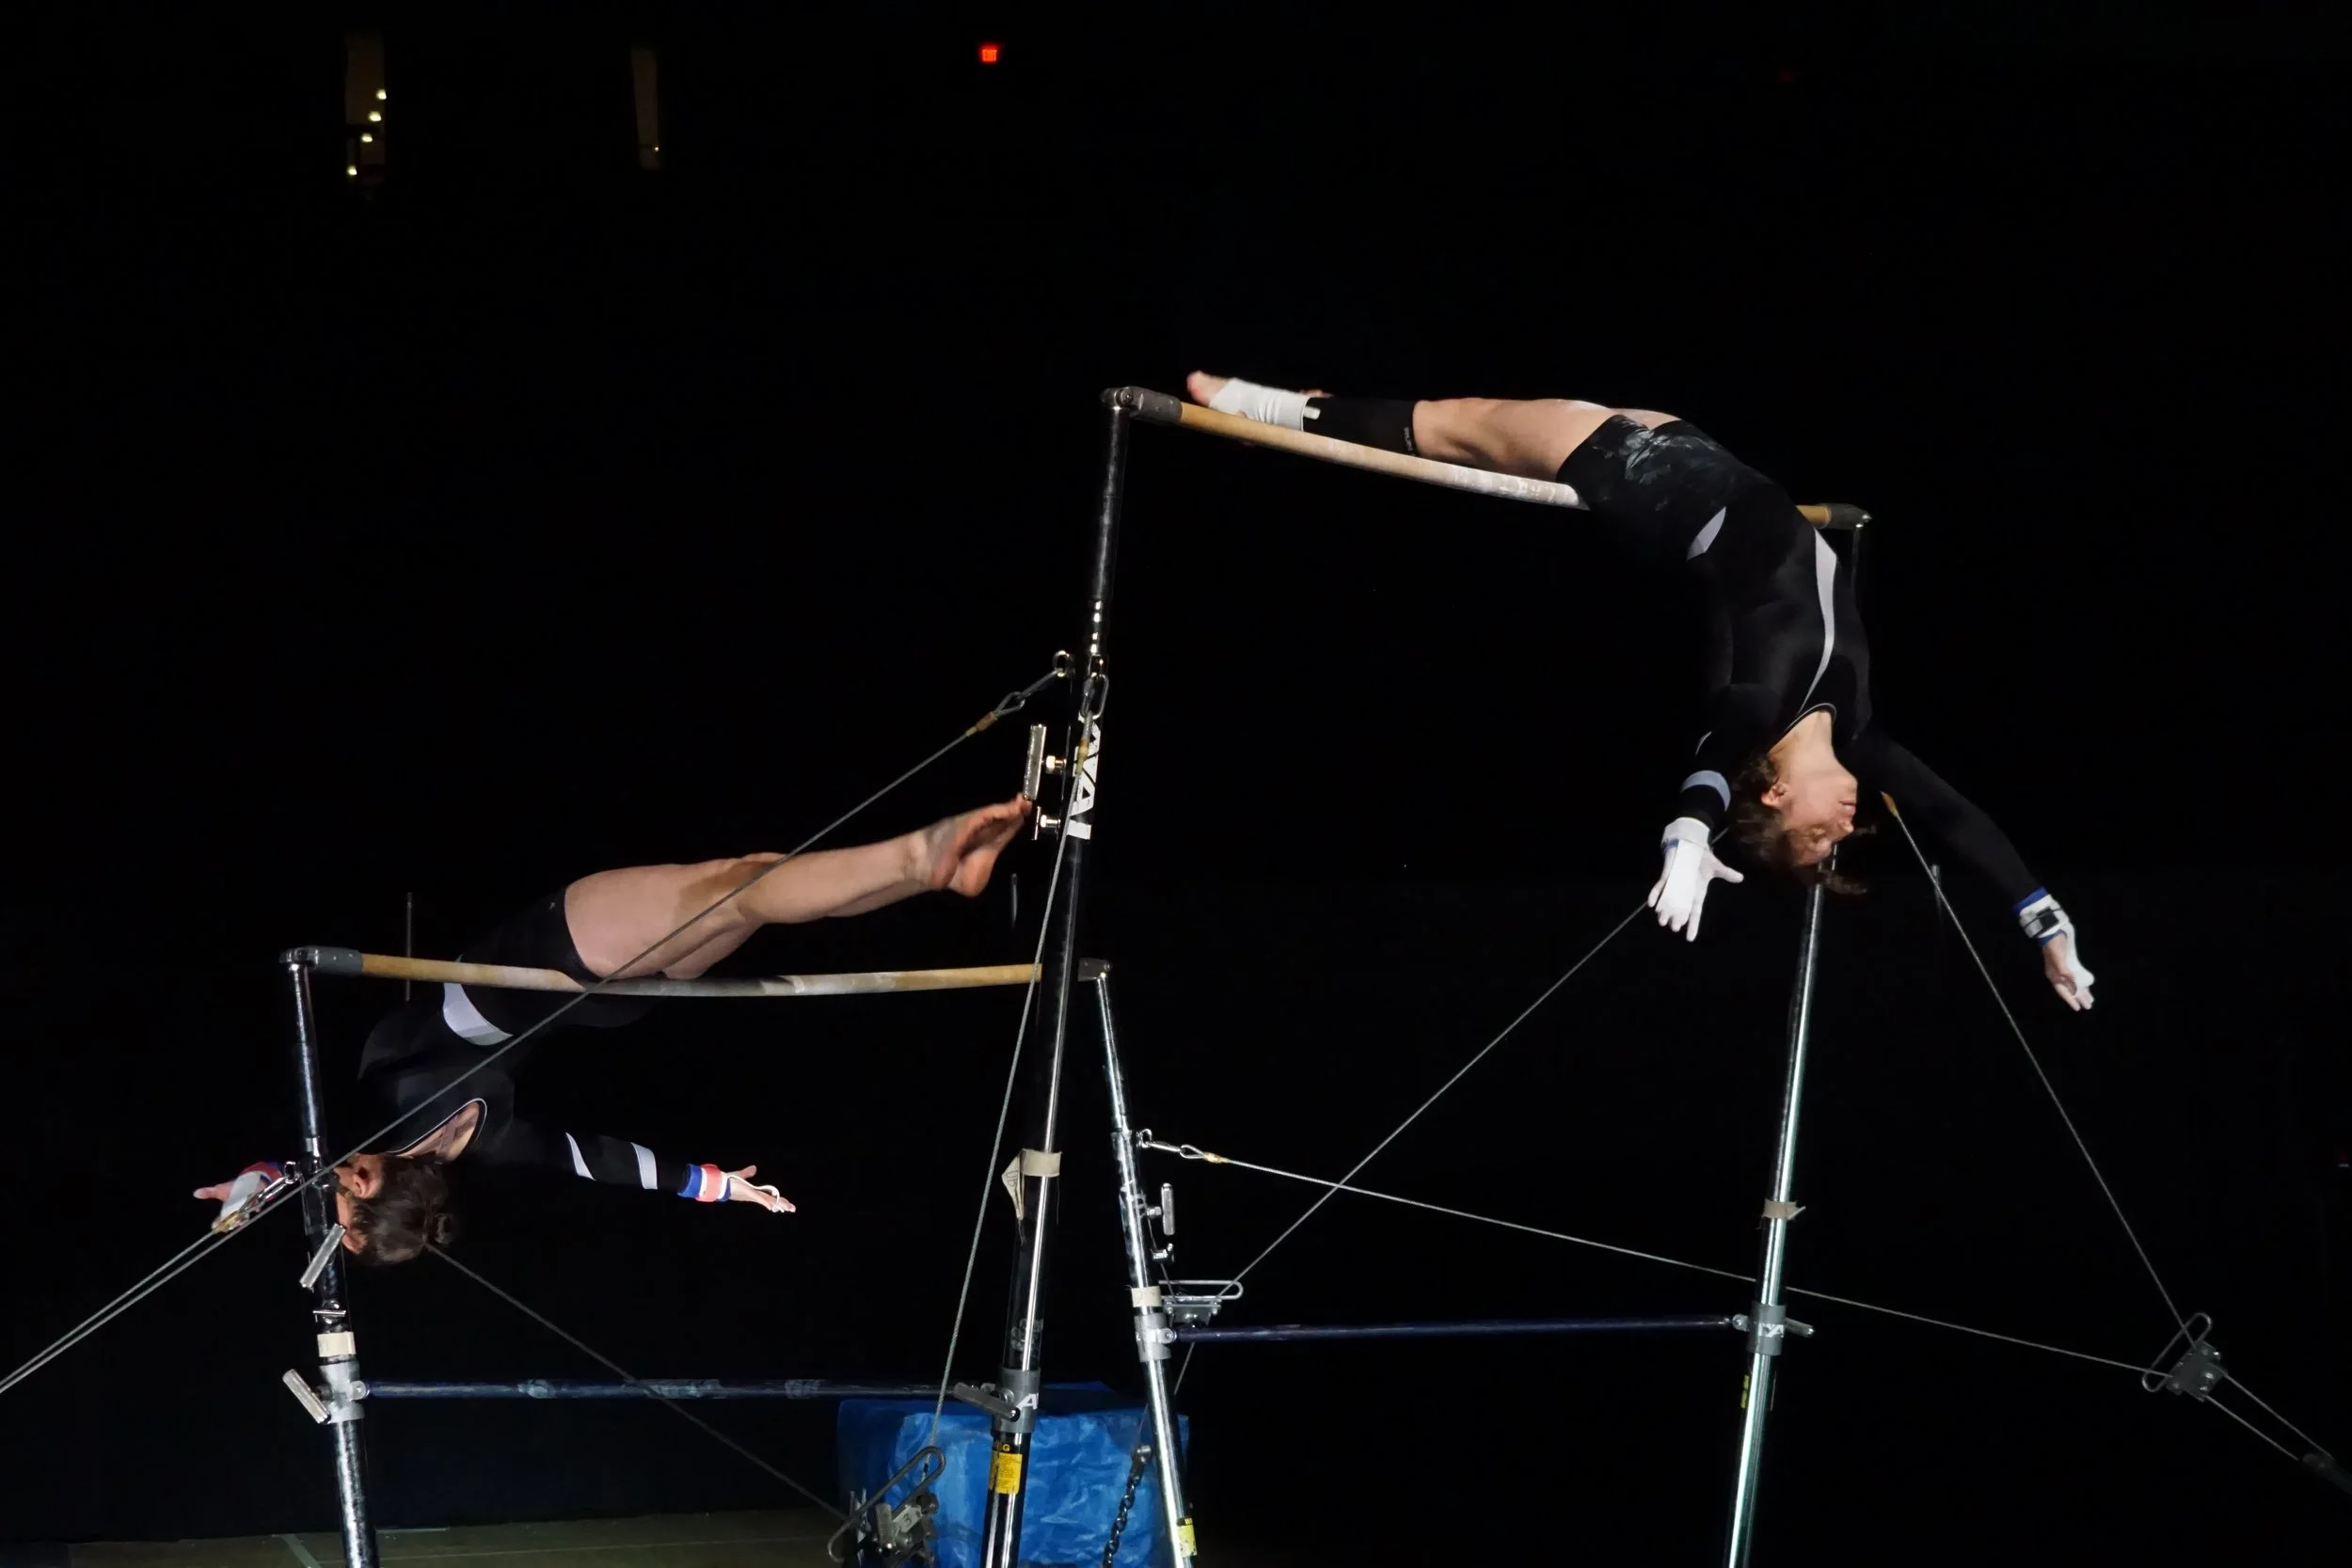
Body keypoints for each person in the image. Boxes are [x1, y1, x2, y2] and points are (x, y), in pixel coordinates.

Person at [1186, 372, 2094, 1011]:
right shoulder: (1854, 732)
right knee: (1464, 420)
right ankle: (1289, 403)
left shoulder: (1756, 706)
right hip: (1701, 459)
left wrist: (1688, 835)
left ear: (1774, 793)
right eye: (1843, 836)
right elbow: (1962, 820)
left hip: (1646, 481)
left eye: (1819, 835)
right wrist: (2043, 923)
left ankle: (1263, 405)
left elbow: (1709, 761)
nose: (1850, 821)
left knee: (1453, 423)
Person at [199, 798, 1033, 1261]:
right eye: (351, 1186)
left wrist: (718, 1185)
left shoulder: (445, 1138)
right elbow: (608, 1161)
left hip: (598, 995)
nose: (340, 1173)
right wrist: (718, 1184)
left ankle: (931, 872)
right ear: (377, 1191)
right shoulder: (393, 1115)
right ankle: (919, 860)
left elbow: (293, 1169)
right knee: (745, 884)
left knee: (754, 881)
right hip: (559, 954)